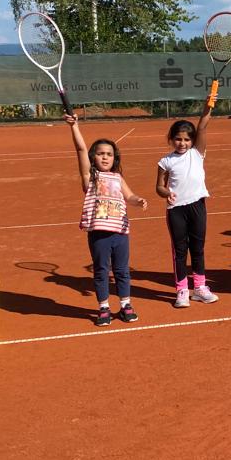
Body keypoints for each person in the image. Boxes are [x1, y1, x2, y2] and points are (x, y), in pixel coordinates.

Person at [66, 113, 148, 326]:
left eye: (109, 154)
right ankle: (103, 307)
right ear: (94, 157)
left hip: (120, 233)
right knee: (101, 270)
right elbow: (80, 149)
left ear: (115, 158)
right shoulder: (90, 178)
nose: (104, 157)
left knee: (122, 270)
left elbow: (129, 196)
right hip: (99, 234)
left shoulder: (118, 177)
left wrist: (138, 200)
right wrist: (74, 126)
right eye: (101, 153)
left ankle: (125, 305)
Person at [156, 103, 218, 308]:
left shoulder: (197, 153)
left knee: (198, 248)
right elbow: (159, 187)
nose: (182, 143)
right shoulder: (165, 161)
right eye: (178, 139)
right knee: (180, 250)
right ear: (171, 139)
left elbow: (202, 126)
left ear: (192, 141)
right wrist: (167, 193)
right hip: (176, 210)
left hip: (197, 206)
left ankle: (200, 288)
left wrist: (209, 105)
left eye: (186, 139)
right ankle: (182, 290)